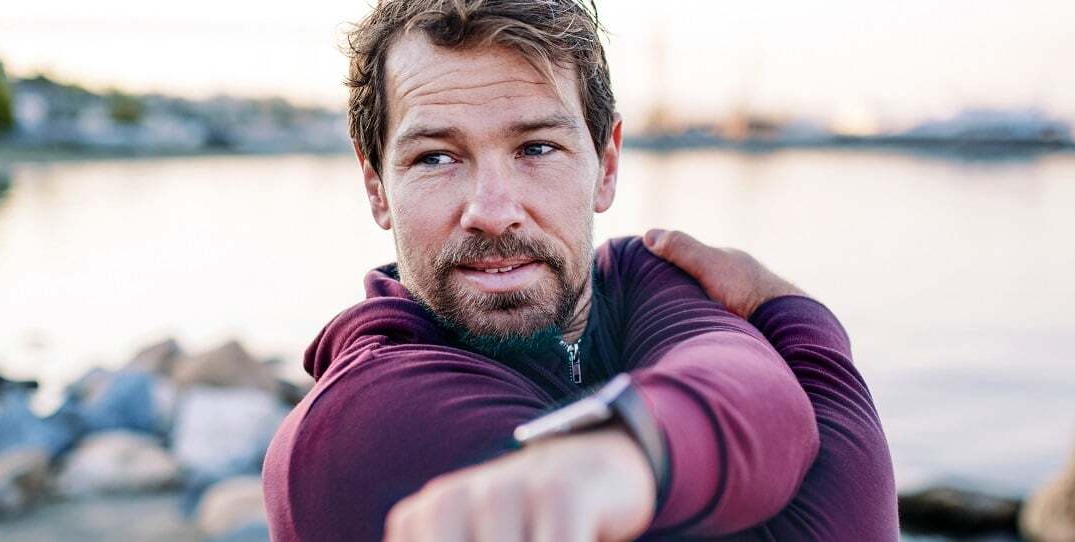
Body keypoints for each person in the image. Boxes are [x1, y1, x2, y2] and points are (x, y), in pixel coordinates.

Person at [261, 0, 897, 540]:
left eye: (537, 148)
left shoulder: (640, 274)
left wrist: (624, 450)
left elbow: (756, 386)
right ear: (377, 186)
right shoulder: (364, 418)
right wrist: (793, 321)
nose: (493, 211)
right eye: (435, 158)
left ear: (607, 164)